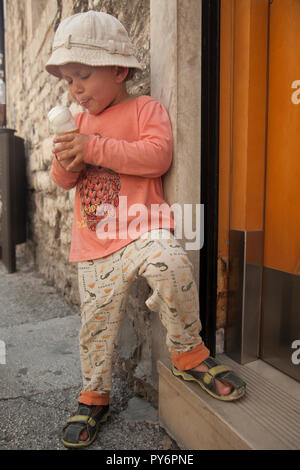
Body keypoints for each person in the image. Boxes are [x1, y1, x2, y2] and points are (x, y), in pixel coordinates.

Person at [45, 10, 246, 449]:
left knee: (173, 265)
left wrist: (93, 146)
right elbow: (63, 182)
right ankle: (94, 394)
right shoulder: (75, 123)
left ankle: (187, 353)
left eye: (82, 74)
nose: (74, 88)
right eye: (67, 80)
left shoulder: (144, 109)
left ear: (118, 70)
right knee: (95, 325)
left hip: (143, 228)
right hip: (95, 242)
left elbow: (157, 157)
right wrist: (65, 159)